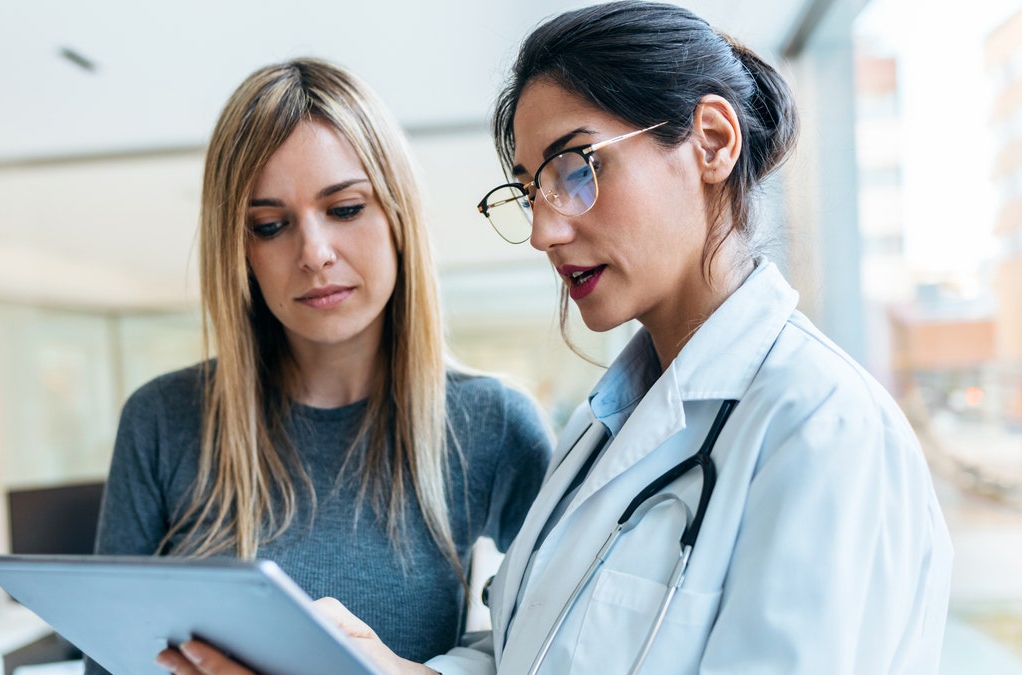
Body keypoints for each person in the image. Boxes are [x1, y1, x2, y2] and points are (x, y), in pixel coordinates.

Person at [155, 3, 953, 675]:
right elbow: (521, 656)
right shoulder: (601, 434)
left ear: (712, 140)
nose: (541, 228)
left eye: (576, 167)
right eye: (531, 187)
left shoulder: (822, 431)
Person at [91, 57, 553, 673]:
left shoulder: (491, 424)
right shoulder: (163, 420)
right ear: (239, 248)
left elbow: (558, 647)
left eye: (345, 209)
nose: (313, 254)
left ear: (398, 217)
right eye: (270, 224)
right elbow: (108, 661)